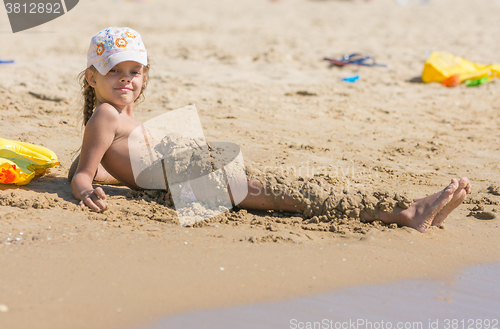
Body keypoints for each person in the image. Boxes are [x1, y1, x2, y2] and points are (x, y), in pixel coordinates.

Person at [69, 27, 471, 233]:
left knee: (289, 189)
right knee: (292, 197)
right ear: (92, 77)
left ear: (145, 74)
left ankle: (413, 211)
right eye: (114, 72)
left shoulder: (121, 119)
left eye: (134, 71)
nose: (126, 80)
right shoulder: (105, 115)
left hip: (188, 176)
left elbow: (98, 163)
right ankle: (407, 212)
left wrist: (107, 173)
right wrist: (87, 190)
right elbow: (85, 173)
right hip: (186, 184)